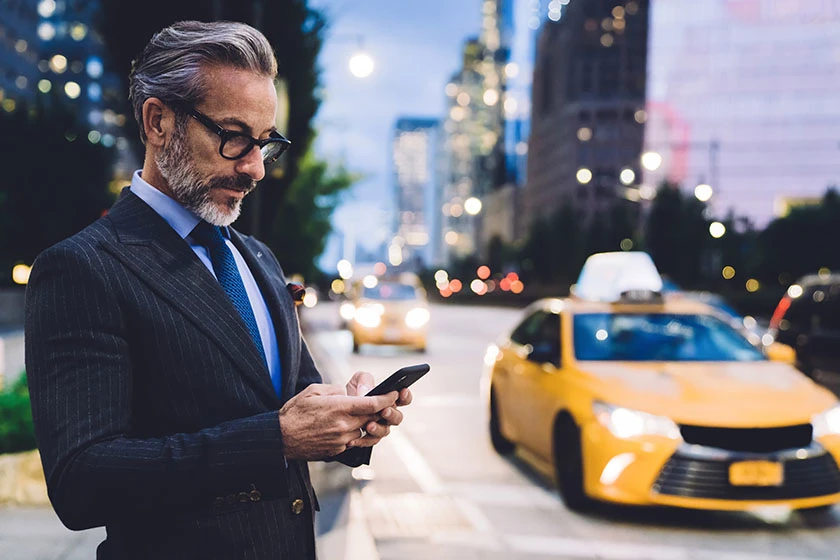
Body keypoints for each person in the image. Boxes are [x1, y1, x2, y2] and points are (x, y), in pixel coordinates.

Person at [24, 20, 411, 560]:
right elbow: (82, 483)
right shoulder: (82, 268)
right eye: (233, 137)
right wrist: (274, 439)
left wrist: (348, 422)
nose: (254, 167)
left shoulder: (258, 259)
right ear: (158, 121)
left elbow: (293, 408)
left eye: (265, 143)